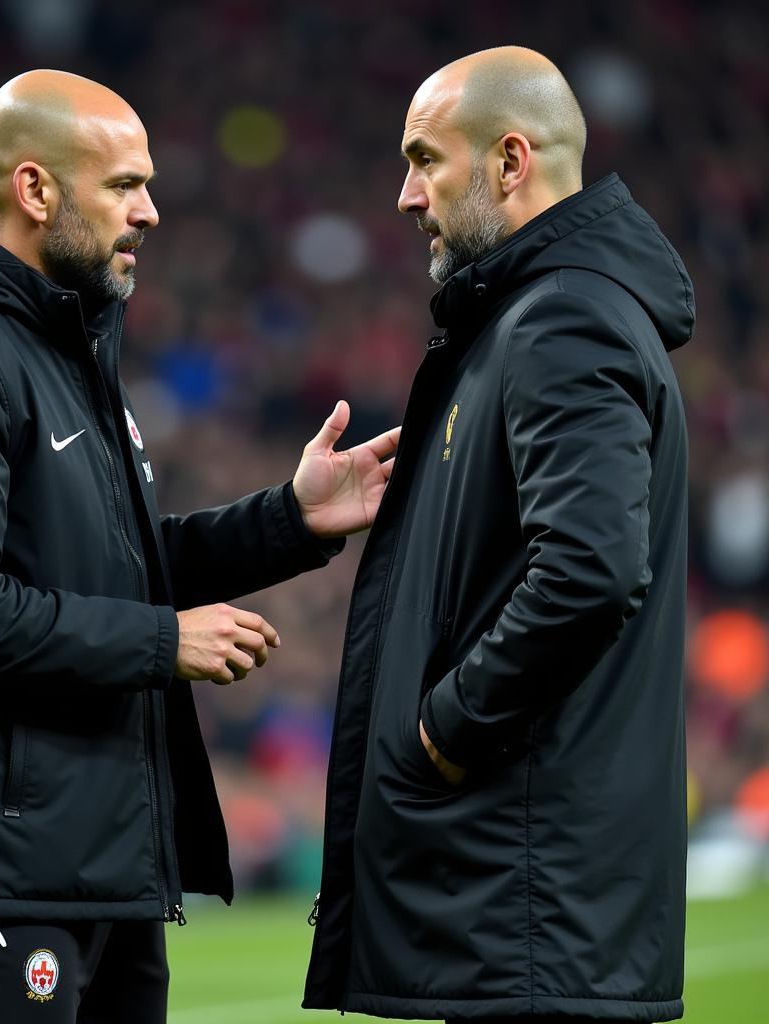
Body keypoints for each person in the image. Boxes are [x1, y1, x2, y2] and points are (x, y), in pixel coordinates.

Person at [0, 70, 398, 1023]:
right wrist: (161, 643)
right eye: (123, 186)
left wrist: (289, 521)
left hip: (105, 862)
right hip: (8, 874)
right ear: (35, 190)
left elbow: (115, 569)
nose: (148, 211)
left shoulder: (66, 343)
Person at [304, 47, 692, 1024]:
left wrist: (446, 727)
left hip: (532, 905)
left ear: (510, 160)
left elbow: (592, 569)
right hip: (523, 905)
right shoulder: (531, 317)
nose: (403, 195)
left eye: (424, 159)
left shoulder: (562, 321)